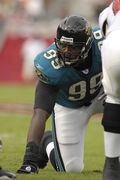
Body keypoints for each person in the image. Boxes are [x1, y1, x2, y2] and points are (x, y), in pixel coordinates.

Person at [17, 15, 104, 174]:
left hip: (101, 95)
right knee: (71, 169)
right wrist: (30, 160)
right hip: (69, 106)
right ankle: (47, 142)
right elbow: (40, 112)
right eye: (63, 45)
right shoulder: (49, 65)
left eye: (73, 47)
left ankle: (113, 162)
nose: (66, 51)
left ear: (87, 44)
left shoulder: (102, 42)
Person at [99, 0, 120, 179]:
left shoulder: (107, 11)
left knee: (114, 99)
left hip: (114, 45)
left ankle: (111, 165)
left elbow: (107, 39)